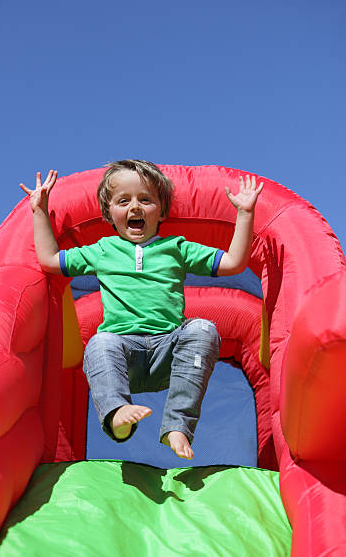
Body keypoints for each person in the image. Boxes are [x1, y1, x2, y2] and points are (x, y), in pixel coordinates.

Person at [20, 160, 263, 459]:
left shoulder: (177, 248)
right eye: (124, 201)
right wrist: (40, 211)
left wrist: (245, 214)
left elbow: (234, 263)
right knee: (99, 342)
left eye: (145, 199)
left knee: (203, 329)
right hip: (124, 355)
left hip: (170, 352)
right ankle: (117, 414)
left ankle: (177, 425)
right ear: (109, 213)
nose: (135, 207)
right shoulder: (102, 250)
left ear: (161, 211)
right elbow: (49, 259)